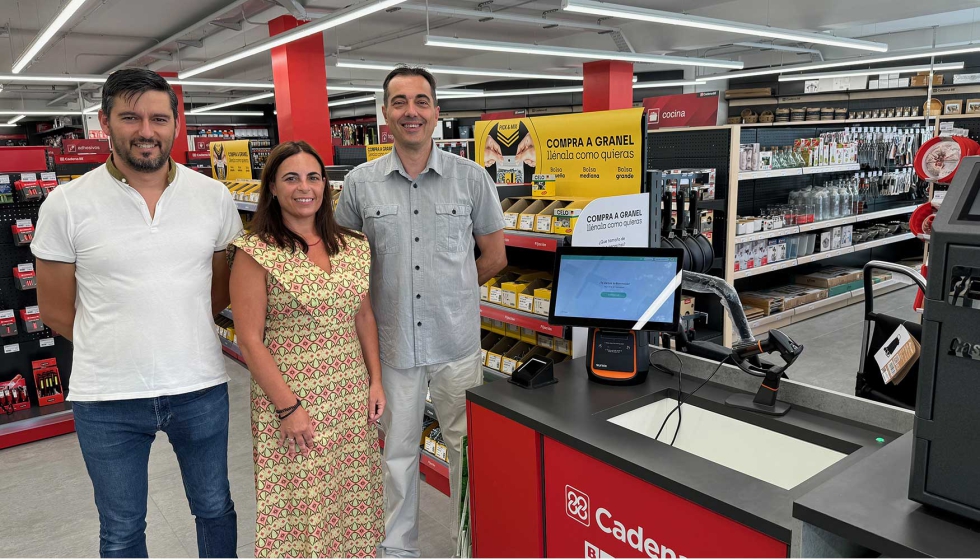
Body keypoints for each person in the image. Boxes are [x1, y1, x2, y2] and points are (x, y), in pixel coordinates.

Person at [31, 68, 241, 558]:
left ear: (175, 123)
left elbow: (219, 290)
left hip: (200, 386)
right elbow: (57, 310)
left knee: (215, 507)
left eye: (158, 118)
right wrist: (121, 340)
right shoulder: (66, 204)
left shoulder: (212, 197)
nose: (146, 130)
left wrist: (177, 328)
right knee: (122, 528)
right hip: (106, 397)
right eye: (130, 117)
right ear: (104, 121)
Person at [335, 66, 508, 557]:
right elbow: (346, 264)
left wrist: (452, 292)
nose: (411, 111)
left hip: (456, 345)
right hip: (391, 349)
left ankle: (469, 547)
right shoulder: (360, 184)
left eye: (421, 101)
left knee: (466, 453)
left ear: (436, 112)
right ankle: (399, 552)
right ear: (385, 113)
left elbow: (495, 256)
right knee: (397, 454)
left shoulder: (472, 179)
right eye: (399, 102)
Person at [228, 141, 385, 558]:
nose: (305, 187)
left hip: (349, 396)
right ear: (273, 189)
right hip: (293, 400)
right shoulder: (255, 252)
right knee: (302, 506)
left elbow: (363, 315)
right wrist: (286, 407)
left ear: (326, 185)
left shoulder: (353, 244)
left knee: (352, 500)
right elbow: (250, 338)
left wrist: (376, 381)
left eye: (313, 177)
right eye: (291, 178)